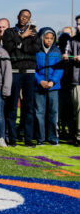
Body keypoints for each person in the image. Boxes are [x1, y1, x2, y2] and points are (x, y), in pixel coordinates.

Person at [2, 9, 41, 147]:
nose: (24, 19)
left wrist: (18, 44)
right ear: (18, 16)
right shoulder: (9, 32)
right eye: (22, 16)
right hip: (14, 71)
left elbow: (35, 49)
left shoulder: (35, 33)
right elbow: (8, 47)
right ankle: (12, 138)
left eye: (27, 17)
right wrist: (23, 37)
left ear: (29, 19)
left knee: (29, 107)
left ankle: (28, 139)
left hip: (29, 72)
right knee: (12, 106)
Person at [34, 27, 63, 146]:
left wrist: (52, 81)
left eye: (51, 38)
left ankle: (53, 138)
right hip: (39, 87)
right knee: (39, 112)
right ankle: (40, 138)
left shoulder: (57, 52)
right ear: (41, 38)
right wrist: (40, 81)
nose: (49, 40)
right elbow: (33, 69)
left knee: (53, 112)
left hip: (53, 88)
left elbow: (60, 69)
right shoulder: (36, 51)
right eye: (46, 38)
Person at [64, 15, 80, 147]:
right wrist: (68, 57)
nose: (79, 26)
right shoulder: (72, 41)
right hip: (76, 80)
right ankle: (77, 135)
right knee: (77, 109)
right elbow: (66, 54)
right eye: (78, 24)